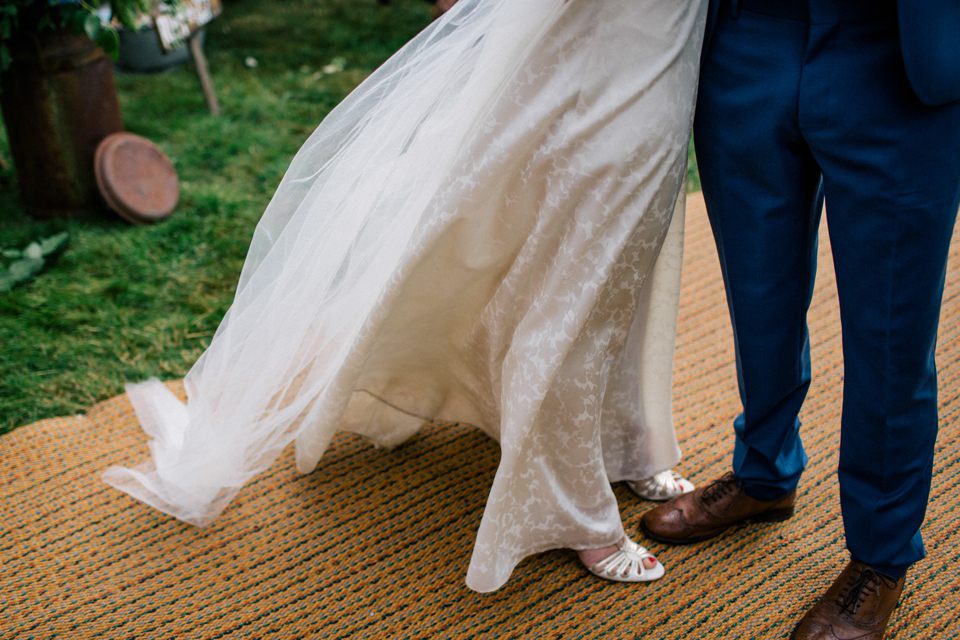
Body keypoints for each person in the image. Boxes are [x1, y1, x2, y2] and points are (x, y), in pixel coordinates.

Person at [104, 0, 707, 592]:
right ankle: (572, 505)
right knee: (585, 279)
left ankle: (619, 438)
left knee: (614, 264)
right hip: (611, 46)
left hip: (655, 40)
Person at [641, 0, 960, 637]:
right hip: (749, 37)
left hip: (896, 53)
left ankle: (882, 552)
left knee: (891, 333)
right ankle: (764, 470)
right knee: (758, 292)